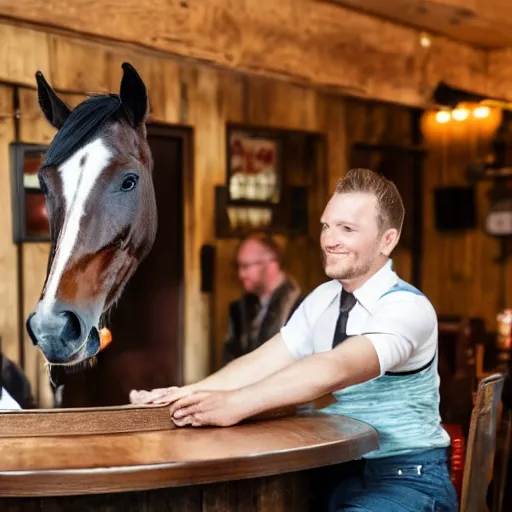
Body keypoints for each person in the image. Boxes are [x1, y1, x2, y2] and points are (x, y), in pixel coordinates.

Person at [130, 168, 458, 511]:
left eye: (347, 229)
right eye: (327, 226)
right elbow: (262, 361)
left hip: (406, 479)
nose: (330, 239)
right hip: (327, 471)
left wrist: (234, 404)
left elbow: (336, 367)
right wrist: (186, 395)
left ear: (387, 240)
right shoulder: (323, 298)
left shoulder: (408, 306)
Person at [222, 233, 302, 364]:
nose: (241, 274)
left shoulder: (299, 303)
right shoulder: (241, 308)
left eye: (246, 266)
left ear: (272, 264)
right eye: (238, 266)